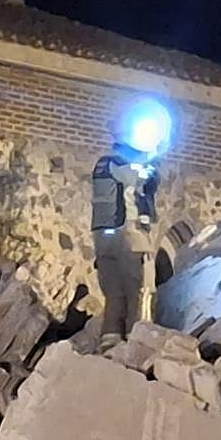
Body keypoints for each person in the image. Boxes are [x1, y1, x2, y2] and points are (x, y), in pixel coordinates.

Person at [91, 98, 171, 347]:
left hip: (103, 238)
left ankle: (110, 339)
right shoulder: (128, 167)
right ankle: (140, 340)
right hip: (130, 234)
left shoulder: (102, 164)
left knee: (114, 293)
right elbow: (143, 178)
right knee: (142, 289)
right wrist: (157, 152)